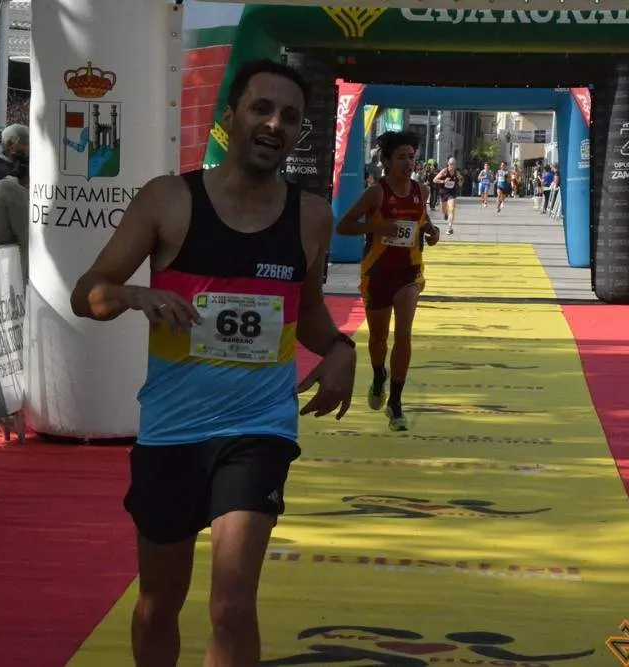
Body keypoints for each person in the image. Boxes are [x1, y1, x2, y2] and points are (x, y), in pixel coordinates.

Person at [69, 58, 356, 667]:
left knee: (231, 605)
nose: (274, 124)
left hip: (258, 429)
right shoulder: (168, 200)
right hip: (172, 430)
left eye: (290, 117)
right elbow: (87, 293)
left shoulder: (310, 217)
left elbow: (304, 313)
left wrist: (340, 348)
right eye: (261, 109)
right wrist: (131, 294)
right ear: (230, 117)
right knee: (157, 603)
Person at [336, 130, 439, 432]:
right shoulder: (376, 193)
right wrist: (378, 228)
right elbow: (344, 226)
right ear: (387, 161)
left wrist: (432, 234)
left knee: (404, 335)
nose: (409, 163)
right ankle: (379, 374)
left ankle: (395, 403)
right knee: (378, 339)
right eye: (401, 157)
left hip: (408, 274)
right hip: (377, 274)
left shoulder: (422, 190)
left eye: (412, 157)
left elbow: (424, 224)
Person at [0, 124, 29, 190]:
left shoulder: (9, 167)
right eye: (26, 144)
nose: (29, 148)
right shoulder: (0, 172)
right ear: (10, 144)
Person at [432, 156, 464, 235]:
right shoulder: (444, 171)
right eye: (450, 164)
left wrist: (460, 183)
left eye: (453, 164)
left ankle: (450, 227)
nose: (452, 166)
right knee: (443, 210)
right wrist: (443, 181)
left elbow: (461, 179)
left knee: (452, 208)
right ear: (448, 164)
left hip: (452, 193)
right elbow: (434, 180)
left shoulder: (456, 172)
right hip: (443, 193)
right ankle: (446, 214)